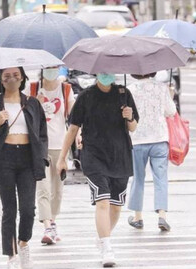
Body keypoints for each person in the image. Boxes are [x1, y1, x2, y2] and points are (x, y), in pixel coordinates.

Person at [56, 73, 139, 267]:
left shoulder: (123, 93)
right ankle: (107, 247)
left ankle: (103, 237)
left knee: (116, 205)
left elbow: (133, 127)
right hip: (94, 156)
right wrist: (62, 158)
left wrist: (129, 116)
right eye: (103, 71)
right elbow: (73, 129)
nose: (107, 74)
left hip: (120, 155)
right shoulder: (86, 96)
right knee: (102, 201)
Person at [0, 67, 48, 269]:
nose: (12, 79)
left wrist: (42, 156)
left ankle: (24, 243)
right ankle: (11, 256)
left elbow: (42, 133)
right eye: (7, 76)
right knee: (9, 210)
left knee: (28, 209)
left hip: (28, 158)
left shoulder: (32, 103)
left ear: (23, 78)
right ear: (0, 79)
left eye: (16, 75)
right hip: (5, 159)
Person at [26, 66, 74, 245]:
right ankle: (47, 226)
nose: (51, 70)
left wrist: (78, 138)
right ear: (42, 69)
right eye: (48, 68)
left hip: (60, 146)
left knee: (57, 191)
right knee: (43, 188)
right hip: (39, 146)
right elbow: (25, 117)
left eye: (55, 67)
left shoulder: (66, 89)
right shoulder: (32, 88)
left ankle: (53, 222)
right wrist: (34, 103)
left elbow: (74, 118)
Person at [126, 73, 176, 232]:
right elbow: (171, 112)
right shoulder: (162, 88)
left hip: (138, 139)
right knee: (161, 178)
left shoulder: (130, 90)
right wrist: (171, 95)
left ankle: (138, 217)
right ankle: (162, 215)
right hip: (159, 139)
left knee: (138, 178)